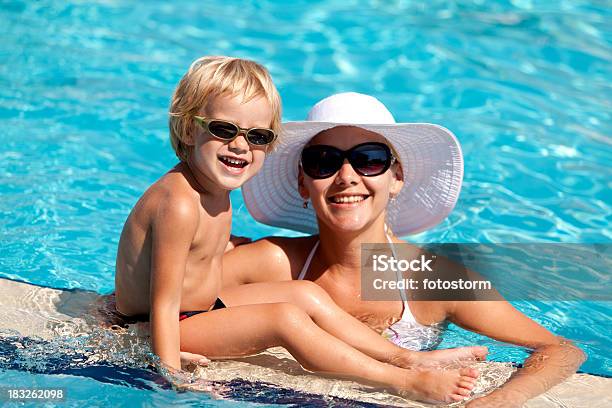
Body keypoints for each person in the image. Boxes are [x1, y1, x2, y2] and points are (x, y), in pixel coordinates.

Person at [113, 58, 480, 404]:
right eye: (224, 130)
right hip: (157, 324)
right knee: (283, 319)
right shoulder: (178, 203)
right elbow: (163, 303)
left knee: (304, 293)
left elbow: (190, 256)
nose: (240, 145)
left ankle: (406, 359)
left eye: (257, 136)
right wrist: (170, 373)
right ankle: (407, 382)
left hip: (197, 310)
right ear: (189, 130)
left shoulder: (212, 191)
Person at [221, 92, 586, 407]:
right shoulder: (274, 263)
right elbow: (176, 299)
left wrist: (500, 399)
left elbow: (561, 349)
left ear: (396, 179)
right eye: (324, 161)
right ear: (304, 183)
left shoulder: (429, 279)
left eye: (369, 159)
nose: (346, 176)